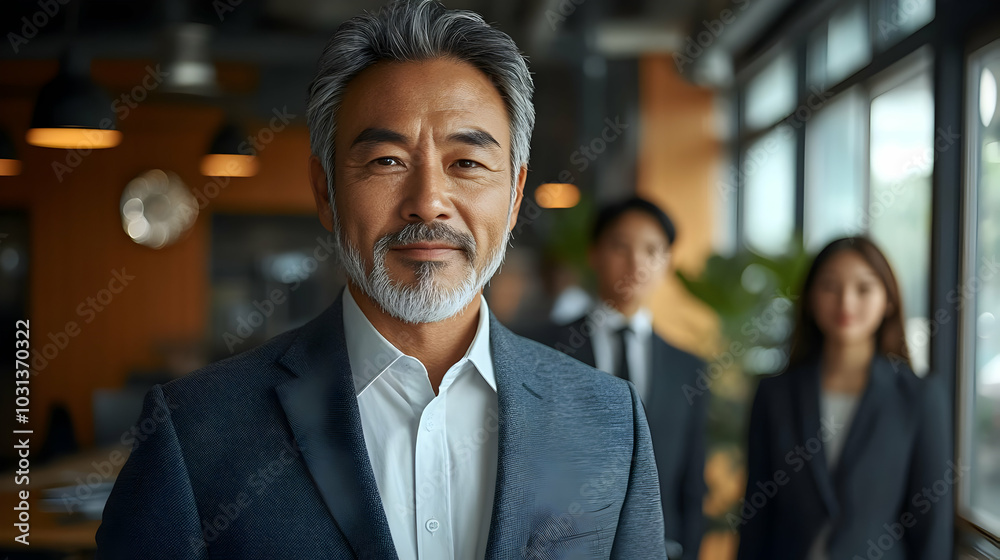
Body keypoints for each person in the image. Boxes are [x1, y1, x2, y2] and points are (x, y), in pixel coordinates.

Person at [96, 2, 667, 559]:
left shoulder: (608, 421)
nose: (428, 203)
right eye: (386, 161)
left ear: (515, 194)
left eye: (466, 163)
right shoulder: (197, 431)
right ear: (326, 192)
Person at [736, 237, 952, 560]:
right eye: (830, 287)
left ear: (888, 301)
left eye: (863, 289)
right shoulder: (774, 394)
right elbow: (756, 514)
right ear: (809, 298)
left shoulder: (919, 398)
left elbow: (931, 526)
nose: (846, 303)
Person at [538, 197, 706, 560]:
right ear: (594, 254)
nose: (636, 263)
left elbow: (691, 483)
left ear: (667, 262)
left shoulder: (688, 367)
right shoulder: (543, 349)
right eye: (620, 246)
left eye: (651, 250)